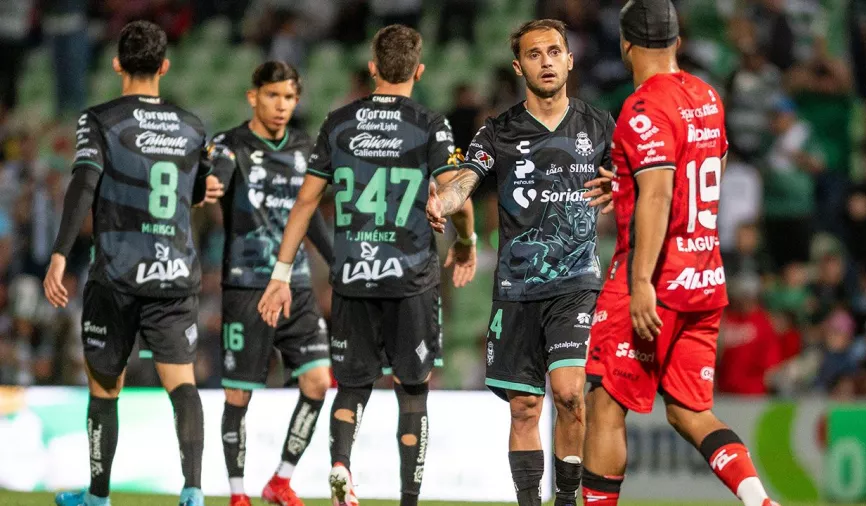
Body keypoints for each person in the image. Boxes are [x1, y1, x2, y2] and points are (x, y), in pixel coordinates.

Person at [257, 25, 476, 506]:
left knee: (353, 387)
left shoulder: (338, 122)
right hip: (412, 277)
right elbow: (457, 193)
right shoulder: (431, 123)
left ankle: (340, 467)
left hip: (353, 276)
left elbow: (305, 205)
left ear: (372, 68)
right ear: (419, 71)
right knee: (412, 391)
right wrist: (466, 242)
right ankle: (408, 500)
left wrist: (280, 275)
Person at [580, 2, 780, 505]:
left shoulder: (643, 107)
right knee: (690, 410)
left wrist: (642, 281)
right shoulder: (708, 96)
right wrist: (628, 181)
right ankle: (760, 500)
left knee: (605, 405)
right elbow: (710, 164)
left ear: (625, 44)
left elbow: (660, 193)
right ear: (678, 41)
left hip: (653, 280)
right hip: (705, 279)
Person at [427, 19, 615, 506]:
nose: (546, 61)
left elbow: (633, 179)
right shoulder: (498, 130)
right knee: (526, 408)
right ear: (519, 66)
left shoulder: (598, 124)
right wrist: (445, 201)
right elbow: (469, 177)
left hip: (576, 281)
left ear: (570, 60)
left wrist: (620, 187)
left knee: (571, 394)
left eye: (555, 51)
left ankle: (568, 499)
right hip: (516, 287)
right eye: (534, 54)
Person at [43, 20, 223, 506]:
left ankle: (98, 497)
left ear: (118, 63)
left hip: (118, 271)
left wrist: (60, 252)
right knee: (181, 383)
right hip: (174, 272)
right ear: (165, 66)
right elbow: (203, 186)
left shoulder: (100, 120)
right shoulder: (191, 125)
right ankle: (193, 491)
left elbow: (83, 184)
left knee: (105, 389)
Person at [206, 61, 334, 506]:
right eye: (272, 96)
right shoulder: (231, 143)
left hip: (296, 285)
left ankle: (281, 479)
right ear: (253, 96)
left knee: (318, 382)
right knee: (239, 392)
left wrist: (336, 261)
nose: (281, 106)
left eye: (289, 98)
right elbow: (216, 175)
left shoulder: (304, 147)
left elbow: (309, 211)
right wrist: (211, 185)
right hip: (247, 284)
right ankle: (238, 493)